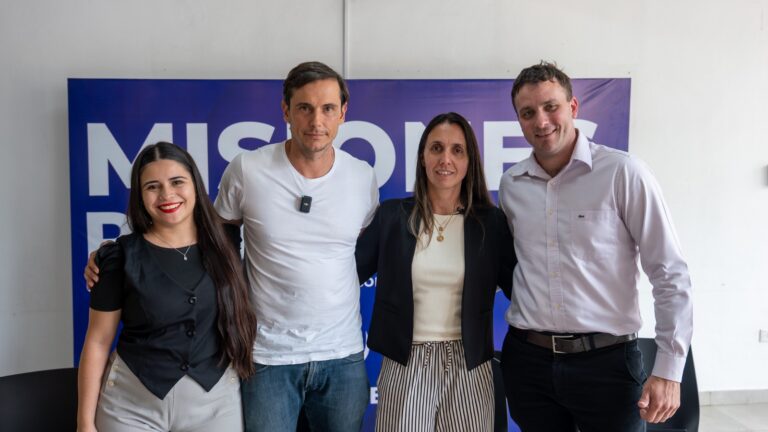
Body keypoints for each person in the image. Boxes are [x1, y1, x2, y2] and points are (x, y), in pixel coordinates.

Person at [85, 62, 377, 432]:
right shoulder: (248, 169)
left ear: (343, 112)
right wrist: (115, 256)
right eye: (304, 107)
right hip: (267, 356)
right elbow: (209, 234)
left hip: (343, 355)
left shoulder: (362, 177)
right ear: (285, 110)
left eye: (327, 109)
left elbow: (366, 251)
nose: (316, 120)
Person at [497, 61, 693, 431]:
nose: (541, 121)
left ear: (572, 108)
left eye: (550, 106)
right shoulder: (512, 184)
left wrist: (670, 368)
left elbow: (669, 272)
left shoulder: (623, 173)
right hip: (528, 364)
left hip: (608, 365)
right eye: (528, 113)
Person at [77, 142, 257, 432]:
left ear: (195, 185)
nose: (166, 195)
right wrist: (84, 422)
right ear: (140, 196)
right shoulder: (117, 257)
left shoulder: (228, 245)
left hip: (215, 405)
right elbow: (98, 341)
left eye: (177, 182)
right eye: (152, 186)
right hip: (131, 406)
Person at [356, 112, 516, 432]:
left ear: (470, 160)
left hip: (470, 364)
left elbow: (524, 290)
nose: (446, 159)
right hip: (406, 361)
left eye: (457, 150)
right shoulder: (392, 218)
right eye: (436, 148)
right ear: (422, 157)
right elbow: (346, 278)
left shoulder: (491, 224)